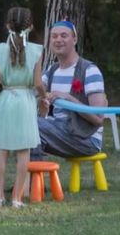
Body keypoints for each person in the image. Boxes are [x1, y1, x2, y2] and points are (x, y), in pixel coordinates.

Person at [0, 7, 46, 208]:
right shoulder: (37, 50)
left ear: (7, 25)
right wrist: (44, 97)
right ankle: (17, 198)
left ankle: (0, 197)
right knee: (23, 150)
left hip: (6, 99)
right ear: (31, 26)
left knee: (2, 148)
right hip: (25, 101)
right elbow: (37, 83)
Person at [35, 20, 107, 158]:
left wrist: (69, 98)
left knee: (33, 126)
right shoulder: (52, 70)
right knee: (24, 127)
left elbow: (98, 119)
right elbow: (33, 91)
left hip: (85, 139)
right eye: (54, 36)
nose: (58, 40)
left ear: (74, 39)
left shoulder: (90, 70)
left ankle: (31, 179)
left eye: (63, 35)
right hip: (57, 130)